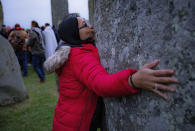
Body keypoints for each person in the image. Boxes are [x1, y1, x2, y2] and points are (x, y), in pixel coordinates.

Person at [44, 16, 179, 131]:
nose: (91, 27)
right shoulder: (79, 56)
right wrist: (133, 80)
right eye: (85, 25)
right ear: (75, 34)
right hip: (74, 125)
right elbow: (101, 84)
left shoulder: (73, 51)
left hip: (65, 120)